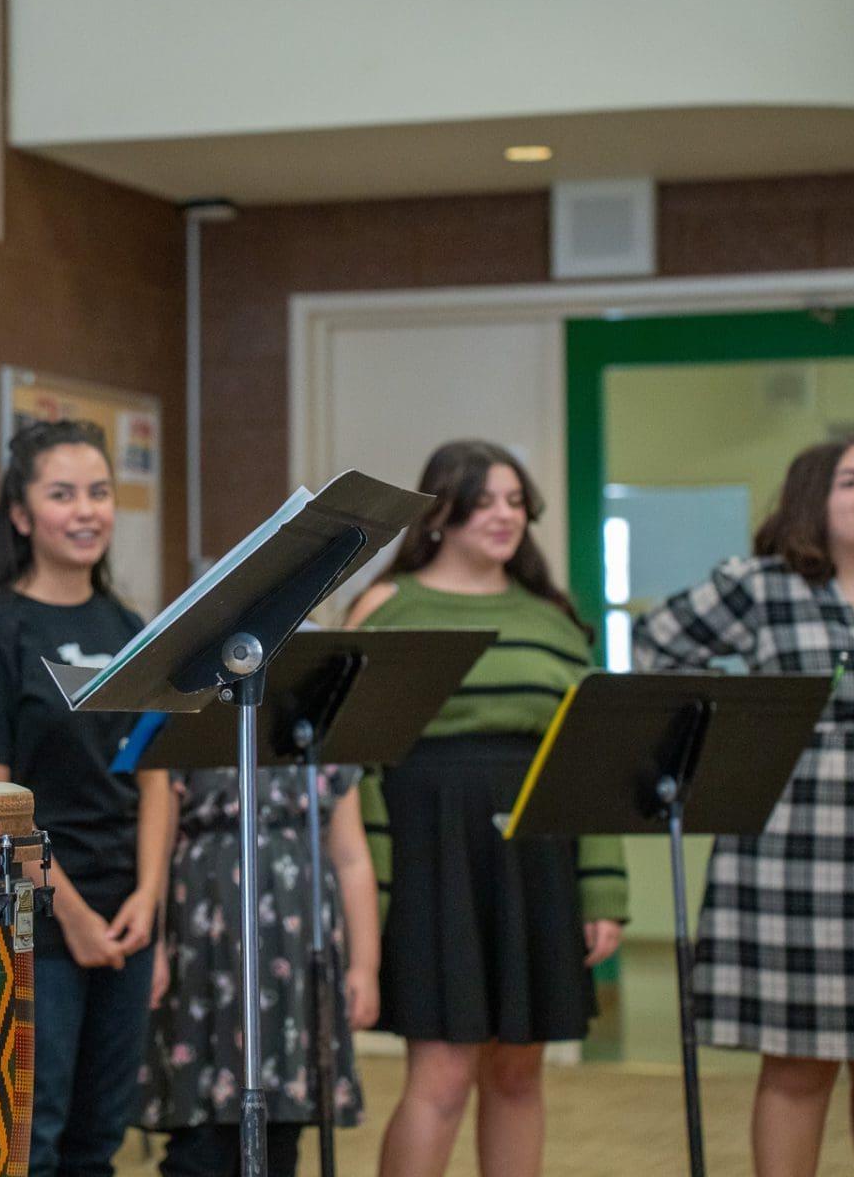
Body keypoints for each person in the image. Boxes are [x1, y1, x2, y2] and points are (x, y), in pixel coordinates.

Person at [635, 438, 854, 1177]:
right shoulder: (760, 585)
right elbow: (656, 645)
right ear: (814, 500)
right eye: (850, 481)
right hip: (790, 846)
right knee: (798, 1063)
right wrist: (730, 740)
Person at [347, 439, 626, 1177]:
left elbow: (587, 759)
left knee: (518, 1074)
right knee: (439, 1076)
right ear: (440, 513)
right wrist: (366, 893)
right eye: (485, 501)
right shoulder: (385, 607)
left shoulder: (551, 617)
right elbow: (354, 762)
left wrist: (603, 890)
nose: (505, 516)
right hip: (428, 851)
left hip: (536, 851)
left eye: (515, 502)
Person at [0, 419, 176, 1177]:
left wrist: (149, 896)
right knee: (32, 1135)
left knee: (99, 1136)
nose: (86, 510)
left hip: (126, 911)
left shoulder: (132, 628)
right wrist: (70, 915)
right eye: (62, 493)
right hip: (35, 914)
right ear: (21, 514)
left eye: (100, 492)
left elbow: (154, 776)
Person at [140, 757, 379, 1177]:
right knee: (199, 1143)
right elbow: (158, 843)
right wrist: (153, 944)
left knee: (281, 1131)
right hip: (206, 951)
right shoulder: (193, 718)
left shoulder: (315, 733)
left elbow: (351, 855)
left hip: (294, 959)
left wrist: (365, 966)